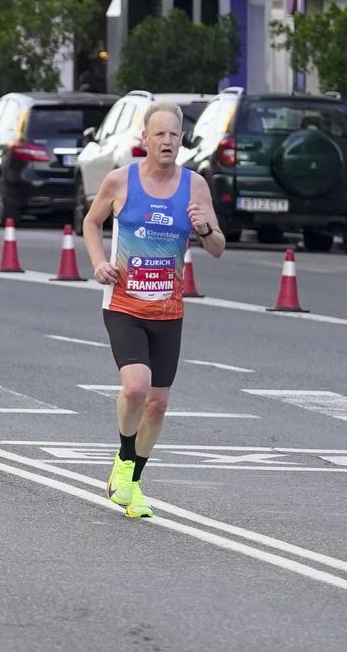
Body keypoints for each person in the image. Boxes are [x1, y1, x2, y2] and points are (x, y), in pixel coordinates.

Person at [82, 102, 225, 519]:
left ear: (182, 141)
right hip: (124, 303)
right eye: (159, 134)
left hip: (168, 309)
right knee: (136, 387)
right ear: (145, 139)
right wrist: (97, 263)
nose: (167, 141)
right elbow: (91, 223)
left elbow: (218, 247)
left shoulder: (195, 186)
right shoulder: (119, 180)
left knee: (158, 404)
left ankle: (133, 481)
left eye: (174, 135)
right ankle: (124, 461)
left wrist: (203, 229)